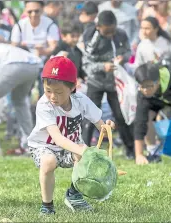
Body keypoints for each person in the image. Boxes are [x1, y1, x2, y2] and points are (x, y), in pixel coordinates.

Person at [27, 56, 115, 215]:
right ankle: (47, 206)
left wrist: (106, 127)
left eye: (59, 92)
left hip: (71, 146)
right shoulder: (44, 105)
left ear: (73, 87)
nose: (53, 96)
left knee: (82, 153)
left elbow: (100, 124)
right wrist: (83, 150)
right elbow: (57, 138)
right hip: (44, 147)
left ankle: (74, 195)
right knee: (48, 162)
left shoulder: (81, 100)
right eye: (48, 91)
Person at [81, 10, 135, 159]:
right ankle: (84, 150)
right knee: (91, 117)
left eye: (113, 30)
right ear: (98, 27)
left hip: (114, 83)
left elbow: (128, 51)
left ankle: (130, 150)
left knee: (121, 115)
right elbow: (86, 63)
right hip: (96, 82)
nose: (111, 35)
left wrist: (123, 57)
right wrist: (102, 66)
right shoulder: (90, 36)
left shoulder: (121, 34)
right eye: (107, 32)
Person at [133, 63, 171, 165]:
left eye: (149, 86)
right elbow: (139, 123)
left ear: (158, 81)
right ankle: (152, 149)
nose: (146, 90)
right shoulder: (143, 96)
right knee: (146, 117)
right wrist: (139, 155)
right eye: (142, 86)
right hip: (155, 102)